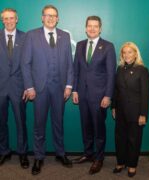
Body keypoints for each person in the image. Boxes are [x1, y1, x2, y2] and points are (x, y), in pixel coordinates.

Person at [21, 5, 73, 175]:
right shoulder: (31, 35)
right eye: (47, 15)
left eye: (54, 15)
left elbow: (69, 64)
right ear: (42, 17)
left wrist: (69, 85)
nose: (51, 18)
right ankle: (38, 156)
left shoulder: (64, 36)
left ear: (58, 18)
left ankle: (60, 153)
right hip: (39, 89)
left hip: (60, 88)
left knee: (58, 122)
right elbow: (25, 63)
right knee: (39, 124)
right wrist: (29, 87)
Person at [72, 16, 116, 174]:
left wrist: (108, 96)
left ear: (100, 28)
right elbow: (75, 69)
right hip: (82, 94)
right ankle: (88, 153)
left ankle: (99, 158)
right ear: (85, 28)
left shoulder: (108, 47)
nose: (92, 29)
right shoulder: (80, 45)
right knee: (86, 126)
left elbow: (112, 74)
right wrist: (75, 90)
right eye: (89, 26)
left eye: (95, 26)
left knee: (99, 128)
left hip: (99, 96)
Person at [111, 42, 149, 177]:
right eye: (124, 52)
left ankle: (132, 164)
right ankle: (121, 162)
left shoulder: (142, 70)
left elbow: (145, 94)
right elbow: (116, 90)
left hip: (136, 112)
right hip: (120, 110)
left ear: (135, 53)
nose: (127, 55)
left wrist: (143, 114)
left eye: (130, 52)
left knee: (134, 139)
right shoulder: (120, 69)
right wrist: (114, 106)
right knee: (120, 138)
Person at [0, 8, 29, 168]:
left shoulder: (26, 37)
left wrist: (28, 86)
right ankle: (4, 151)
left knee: (20, 122)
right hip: (0, 87)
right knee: (1, 122)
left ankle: (22, 153)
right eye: (6, 19)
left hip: (19, 88)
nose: (9, 21)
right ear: (2, 20)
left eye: (12, 18)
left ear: (17, 19)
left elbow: (29, 64)